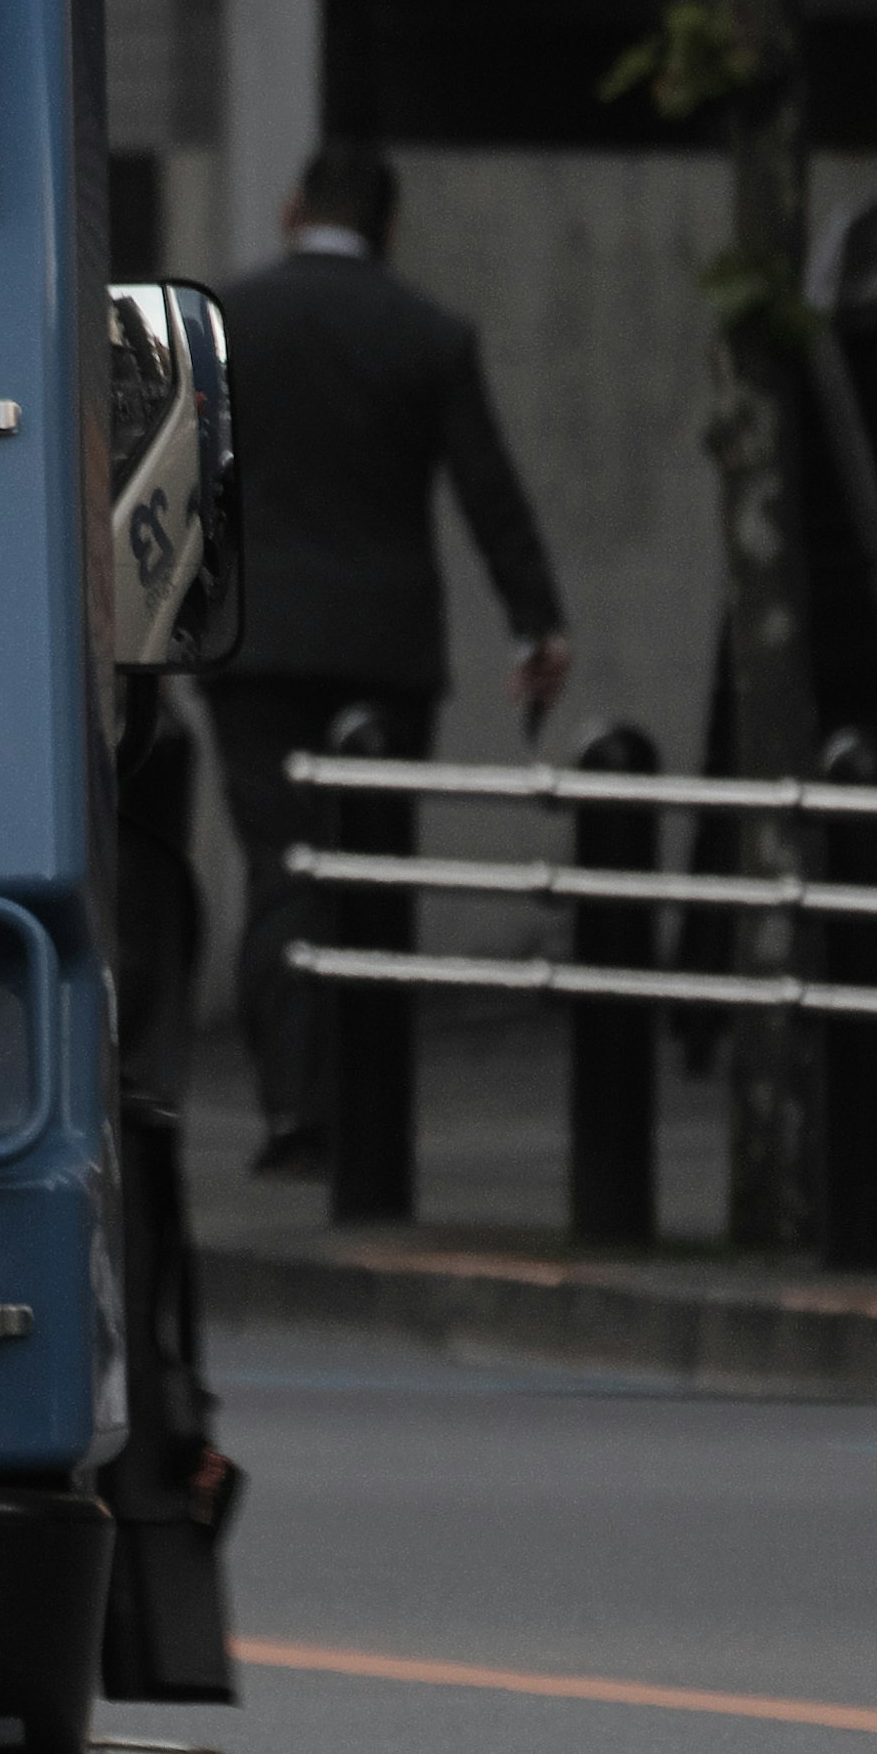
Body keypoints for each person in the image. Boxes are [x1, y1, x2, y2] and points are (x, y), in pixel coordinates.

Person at [199, 141, 570, 1170]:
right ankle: (368, 1108)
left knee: (282, 873)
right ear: (388, 226)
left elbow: (172, 494)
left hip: (256, 647)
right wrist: (535, 621)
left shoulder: (226, 319)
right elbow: (487, 489)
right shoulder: (429, 334)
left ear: (290, 209)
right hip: (383, 651)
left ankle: (290, 1109)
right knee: (370, 872)